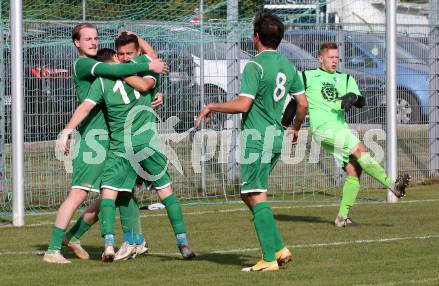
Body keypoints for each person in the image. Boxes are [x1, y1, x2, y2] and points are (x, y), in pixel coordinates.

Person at [43, 23, 168, 264]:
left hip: (114, 139)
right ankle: (52, 249)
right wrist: (67, 131)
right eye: (87, 38)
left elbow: (144, 66)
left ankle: (130, 241)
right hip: (94, 141)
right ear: (76, 43)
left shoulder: (107, 63)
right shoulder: (85, 64)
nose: (93, 42)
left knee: (119, 192)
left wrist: (154, 91)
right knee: (79, 194)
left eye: (95, 37)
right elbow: (118, 70)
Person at [58, 47, 196, 262]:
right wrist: (153, 82)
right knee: (157, 193)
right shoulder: (139, 75)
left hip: (118, 146)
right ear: (116, 58)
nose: (125, 58)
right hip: (145, 145)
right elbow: (150, 66)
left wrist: (67, 130)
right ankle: (177, 242)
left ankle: (114, 244)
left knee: (110, 194)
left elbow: (85, 107)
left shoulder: (103, 82)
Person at [195, 13, 308, 272]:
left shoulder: (254, 66)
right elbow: (302, 104)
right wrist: (296, 128)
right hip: (274, 138)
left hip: (256, 139)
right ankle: (279, 248)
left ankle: (269, 259)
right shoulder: (289, 66)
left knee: (256, 194)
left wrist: (212, 105)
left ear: (256, 37)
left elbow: (243, 104)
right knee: (249, 193)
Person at [284, 42, 410, 227]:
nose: (334, 61)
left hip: (340, 129)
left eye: (337, 58)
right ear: (321, 58)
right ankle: (392, 185)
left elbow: (362, 102)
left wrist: (354, 97)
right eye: (330, 57)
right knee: (361, 149)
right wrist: (288, 126)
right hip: (323, 129)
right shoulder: (307, 76)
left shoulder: (346, 78)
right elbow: (296, 103)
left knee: (354, 170)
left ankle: (342, 217)